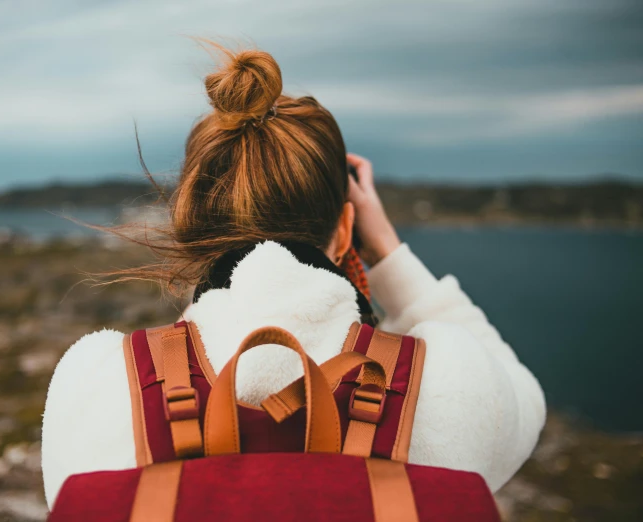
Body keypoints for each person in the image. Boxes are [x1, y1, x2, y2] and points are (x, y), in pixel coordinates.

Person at [40, 43, 546, 510]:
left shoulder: (98, 384)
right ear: (346, 226)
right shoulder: (447, 380)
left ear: (191, 223)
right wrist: (388, 252)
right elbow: (526, 402)